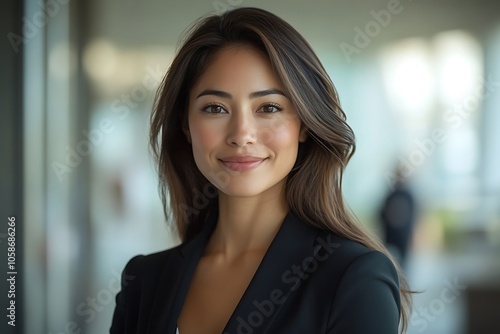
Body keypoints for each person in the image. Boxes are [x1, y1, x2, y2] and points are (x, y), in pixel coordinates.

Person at [110, 7, 412, 334]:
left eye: (268, 108)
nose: (242, 135)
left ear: (304, 125)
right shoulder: (144, 283)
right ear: (186, 125)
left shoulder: (353, 277)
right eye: (215, 108)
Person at [380, 166, 417, 270]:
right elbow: (382, 214)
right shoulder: (390, 195)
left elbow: (413, 217)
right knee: (389, 265)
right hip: (390, 237)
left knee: (404, 268)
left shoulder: (408, 195)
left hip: (403, 238)